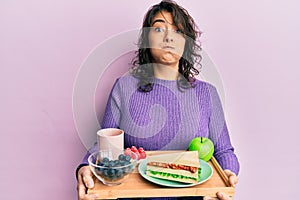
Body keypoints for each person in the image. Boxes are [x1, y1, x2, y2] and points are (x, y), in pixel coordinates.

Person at [76, 1, 240, 200]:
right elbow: (105, 146)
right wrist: (85, 167)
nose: (169, 36)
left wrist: (228, 175)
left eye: (178, 31)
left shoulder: (207, 94)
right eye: (159, 28)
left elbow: (224, 151)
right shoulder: (124, 87)